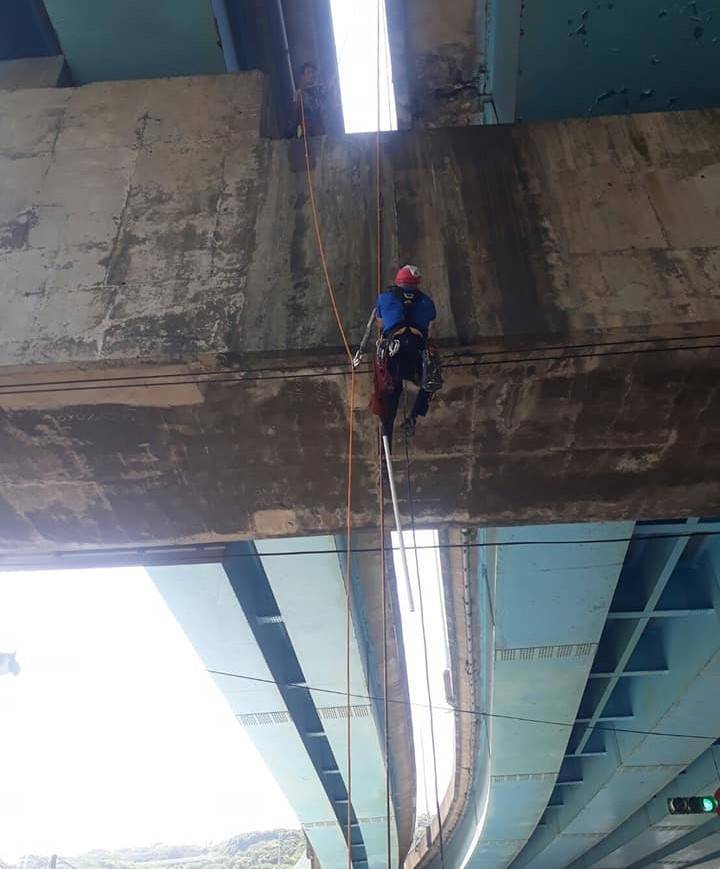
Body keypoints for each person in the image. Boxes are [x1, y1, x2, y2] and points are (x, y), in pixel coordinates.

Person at [353, 265, 442, 446]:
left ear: (398, 281)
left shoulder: (385, 299)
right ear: (417, 283)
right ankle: (414, 416)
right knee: (429, 379)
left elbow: (379, 322)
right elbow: (431, 329)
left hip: (394, 350)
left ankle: (387, 431)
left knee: (391, 389)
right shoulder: (427, 302)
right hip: (417, 350)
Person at [294, 62, 330, 138]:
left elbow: (325, 110)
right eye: (308, 72)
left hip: (319, 129)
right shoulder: (299, 92)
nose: (311, 75)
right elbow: (295, 110)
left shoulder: (319, 92)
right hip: (306, 129)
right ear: (303, 76)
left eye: (313, 72)